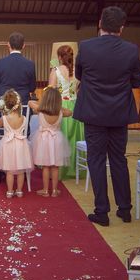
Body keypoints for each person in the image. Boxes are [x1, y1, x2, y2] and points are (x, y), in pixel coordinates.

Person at [73, 6, 140, 226]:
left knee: (96, 160)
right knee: (118, 159)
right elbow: (137, 81)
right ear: (121, 28)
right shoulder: (131, 50)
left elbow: (79, 74)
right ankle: (125, 209)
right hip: (119, 112)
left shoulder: (85, 47)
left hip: (93, 111)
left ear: (100, 23)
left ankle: (102, 211)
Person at [48, 44, 84, 179]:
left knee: (60, 138)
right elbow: (80, 89)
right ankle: (75, 168)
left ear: (59, 57)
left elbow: (51, 91)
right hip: (75, 106)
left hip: (61, 106)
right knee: (75, 138)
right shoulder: (78, 72)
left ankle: (59, 169)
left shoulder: (56, 71)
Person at [28, 87, 71, 197]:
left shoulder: (40, 110)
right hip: (57, 139)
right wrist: (59, 107)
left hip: (43, 140)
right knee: (55, 166)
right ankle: (55, 190)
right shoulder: (60, 112)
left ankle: (46, 190)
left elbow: (30, 102)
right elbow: (70, 112)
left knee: (46, 166)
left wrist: (42, 103)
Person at [0, 89, 33, 198]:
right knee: (21, 170)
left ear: (5, 104)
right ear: (18, 104)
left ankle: (10, 191)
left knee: (10, 171)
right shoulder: (23, 118)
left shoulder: (5, 117)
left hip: (8, 145)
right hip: (21, 144)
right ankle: (19, 191)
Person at [0, 32, 37, 104]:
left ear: (8, 44)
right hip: (22, 103)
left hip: (4, 103)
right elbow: (32, 87)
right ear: (23, 45)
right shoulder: (30, 64)